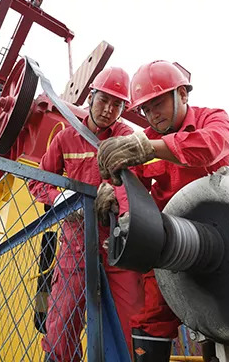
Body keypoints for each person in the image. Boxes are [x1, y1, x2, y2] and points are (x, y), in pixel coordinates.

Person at [95, 60, 229, 362]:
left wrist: (149, 148)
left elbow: (210, 147)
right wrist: (115, 188)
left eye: (157, 104)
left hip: (224, 239)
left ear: (182, 94)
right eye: (145, 109)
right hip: (172, 241)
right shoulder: (147, 138)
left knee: (221, 318)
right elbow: (134, 183)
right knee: (153, 316)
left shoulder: (214, 118)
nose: (152, 115)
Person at [28, 67, 144, 362]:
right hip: (75, 242)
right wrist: (61, 200)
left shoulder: (124, 136)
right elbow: (38, 180)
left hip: (117, 239)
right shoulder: (65, 139)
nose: (108, 110)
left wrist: (118, 199)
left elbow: (136, 179)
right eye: (103, 100)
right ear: (91, 97)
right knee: (61, 323)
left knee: (134, 319)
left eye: (117, 104)